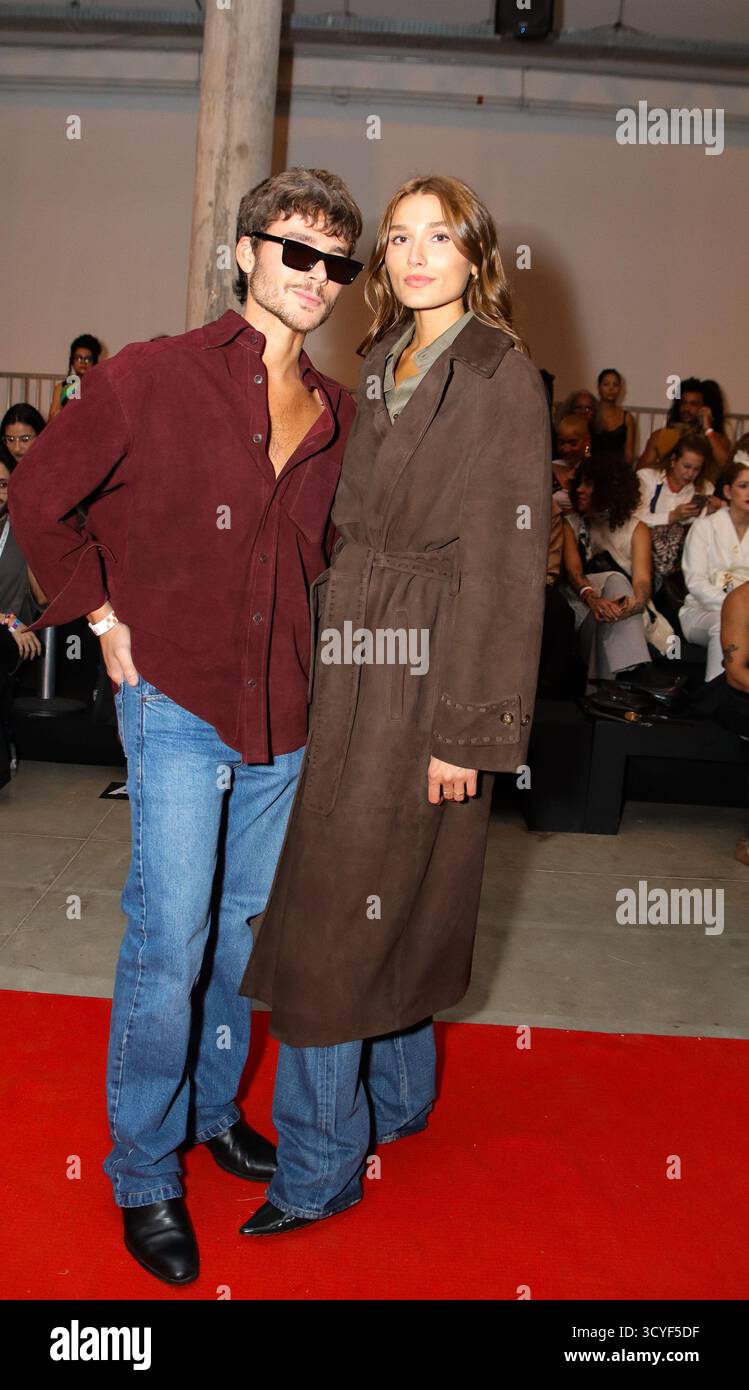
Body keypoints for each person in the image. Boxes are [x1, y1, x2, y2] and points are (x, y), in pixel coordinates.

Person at [9, 167, 364, 1285]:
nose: (317, 277)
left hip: (285, 715)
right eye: (296, 251)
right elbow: (38, 494)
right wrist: (102, 615)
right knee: (168, 944)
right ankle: (143, 1172)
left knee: (241, 940)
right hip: (176, 701)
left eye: (336, 262)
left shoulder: (340, 413)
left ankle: (215, 1112)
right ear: (246, 252)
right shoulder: (150, 377)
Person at [237, 173, 551, 1236]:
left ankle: (319, 1167)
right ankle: (403, 1101)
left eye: (439, 237)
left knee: (333, 912)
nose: (415, 255)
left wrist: (467, 730)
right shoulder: (377, 362)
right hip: (346, 645)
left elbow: (509, 572)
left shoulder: (503, 376)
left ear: (475, 254)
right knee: (385, 887)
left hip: (426, 671)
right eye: (401, 238)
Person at [561, 455, 653, 685]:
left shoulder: (636, 529)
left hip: (624, 610)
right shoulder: (570, 523)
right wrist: (593, 599)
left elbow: (642, 582)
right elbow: (574, 573)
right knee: (615, 580)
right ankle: (631, 679)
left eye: (589, 484)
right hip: (581, 606)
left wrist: (634, 605)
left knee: (613, 601)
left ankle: (603, 694)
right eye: (579, 483)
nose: (580, 490)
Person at [680, 441, 749, 683]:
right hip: (702, 610)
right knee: (725, 626)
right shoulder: (704, 526)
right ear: (728, 491)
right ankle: (717, 695)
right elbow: (695, 582)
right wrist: (734, 609)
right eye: (744, 486)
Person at [0, 445, 44, 777]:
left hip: (16, 631)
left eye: (2, 484)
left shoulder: (19, 527)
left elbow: (44, 597)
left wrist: (32, 532)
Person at [638, 377, 730, 479]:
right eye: (683, 403)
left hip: (702, 492)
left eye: (693, 404)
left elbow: (727, 467)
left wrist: (708, 429)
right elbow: (640, 472)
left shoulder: (714, 437)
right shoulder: (662, 435)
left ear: (704, 407)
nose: (686, 408)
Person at [47, 334, 102, 420]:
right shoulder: (62, 387)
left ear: (94, 362)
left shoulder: (99, 388)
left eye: (88, 359)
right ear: (72, 361)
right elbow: (51, 420)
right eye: (78, 358)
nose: (83, 363)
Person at [591, 368, 635, 465]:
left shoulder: (627, 417)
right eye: (606, 384)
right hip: (592, 468)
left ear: (620, 389)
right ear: (599, 387)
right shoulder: (591, 413)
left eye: (615, 385)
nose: (611, 389)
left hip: (618, 471)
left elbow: (629, 455)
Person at [552, 412, 590, 510]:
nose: (566, 449)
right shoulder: (552, 466)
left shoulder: (591, 470)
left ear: (587, 441)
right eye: (561, 443)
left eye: (573, 443)